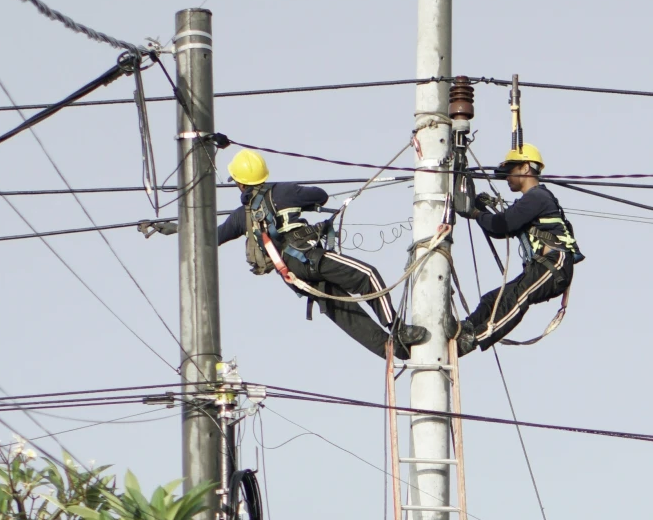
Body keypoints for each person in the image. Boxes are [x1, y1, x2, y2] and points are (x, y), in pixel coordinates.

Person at [219, 149, 425, 363]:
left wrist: (183, 228)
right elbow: (320, 195)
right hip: (308, 259)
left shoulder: (239, 217)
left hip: (292, 277)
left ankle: (395, 350)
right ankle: (398, 329)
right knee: (367, 275)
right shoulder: (282, 192)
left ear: (240, 184)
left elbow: (213, 236)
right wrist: (297, 199)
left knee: (342, 309)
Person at [454, 143, 582, 355]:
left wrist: (476, 213)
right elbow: (498, 229)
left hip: (555, 265)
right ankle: (464, 328)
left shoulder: (538, 197)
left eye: (511, 171)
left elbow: (503, 224)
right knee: (492, 300)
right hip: (539, 268)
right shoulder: (528, 202)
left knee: (519, 297)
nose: (507, 177)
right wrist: (480, 211)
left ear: (525, 168)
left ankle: (475, 337)